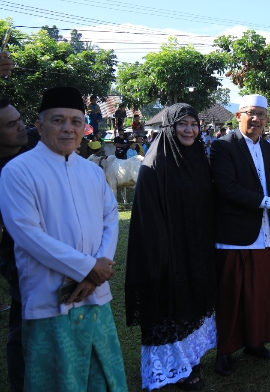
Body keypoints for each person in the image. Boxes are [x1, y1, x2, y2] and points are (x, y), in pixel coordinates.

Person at [0, 86, 127, 390]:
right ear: (40, 126)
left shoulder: (93, 172)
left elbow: (110, 219)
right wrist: (86, 268)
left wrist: (98, 268)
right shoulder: (19, 171)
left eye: (75, 121)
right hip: (50, 298)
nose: (68, 128)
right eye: (58, 120)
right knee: (59, 380)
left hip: (95, 294)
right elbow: (27, 233)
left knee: (103, 377)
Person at [126, 104, 217, 391]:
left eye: (193, 123)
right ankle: (176, 370)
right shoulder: (155, 164)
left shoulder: (198, 157)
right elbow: (147, 219)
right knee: (171, 309)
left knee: (193, 307)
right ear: (168, 127)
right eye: (182, 124)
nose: (189, 129)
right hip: (168, 254)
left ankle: (192, 362)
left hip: (197, 247)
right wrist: (166, 254)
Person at [209, 94, 270, 377]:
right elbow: (227, 188)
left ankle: (255, 343)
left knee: (260, 291)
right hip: (233, 235)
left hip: (263, 234)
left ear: (267, 120)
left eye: (261, 114)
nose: (256, 119)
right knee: (231, 294)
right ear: (238, 116)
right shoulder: (223, 146)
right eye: (250, 113)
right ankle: (224, 351)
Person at [0, 98, 39, 392]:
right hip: (18, 258)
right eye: (11, 125)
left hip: (59, 254)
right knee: (21, 328)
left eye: (20, 119)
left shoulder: (36, 143)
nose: (21, 127)